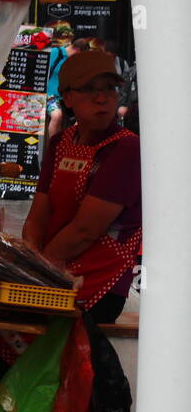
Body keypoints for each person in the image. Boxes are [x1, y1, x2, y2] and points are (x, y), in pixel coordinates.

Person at [22, 50, 141, 326]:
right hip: (52, 269)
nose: (102, 98)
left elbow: (85, 231)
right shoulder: (61, 142)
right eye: (88, 89)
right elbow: (38, 215)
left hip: (99, 284)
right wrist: (27, 262)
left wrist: (38, 274)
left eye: (109, 89)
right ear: (68, 98)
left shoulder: (126, 149)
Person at [46, 38, 87, 138]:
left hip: (65, 96)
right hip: (50, 94)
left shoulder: (75, 62)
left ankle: (67, 144)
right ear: (78, 51)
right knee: (57, 115)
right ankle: (53, 147)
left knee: (85, 115)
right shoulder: (56, 52)